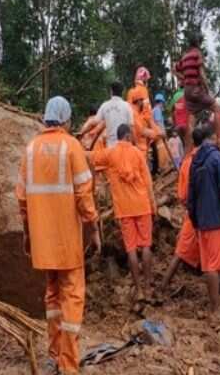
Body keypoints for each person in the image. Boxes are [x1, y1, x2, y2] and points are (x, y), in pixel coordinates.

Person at [16, 96, 100, 375]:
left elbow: (22, 199)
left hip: (43, 241)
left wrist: (28, 235)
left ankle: (54, 353)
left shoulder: (30, 150)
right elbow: (84, 194)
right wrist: (94, 227)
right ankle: (68, 363)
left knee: (52, 295)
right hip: (67, 241)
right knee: (73, 297)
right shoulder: (71, 146)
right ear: (64, 120)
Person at [91, 124, 156, 305]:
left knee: (131, 250)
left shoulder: (111, 153)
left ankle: (139, 290)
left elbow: (90, 158)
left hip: (124, 210)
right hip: (142, 206)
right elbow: (148, 181)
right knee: (146, 247)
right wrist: (153, 204)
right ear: (128, 136)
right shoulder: (138, 154)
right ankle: (149, 288)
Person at [187, 124, 220, 315]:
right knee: (212, 266)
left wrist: (194, 218)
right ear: (212, 137)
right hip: (217, 219)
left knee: (219, 261)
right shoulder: (217, 158)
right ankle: (215, 309)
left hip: (202, 221)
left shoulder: (195, 162)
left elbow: (191, 194)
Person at [161, 132, 202, 291]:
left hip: (192, 213)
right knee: (183, 252)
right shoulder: (209, 160)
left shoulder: (187, 163)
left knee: (184, 250)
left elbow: (182, 195)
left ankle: (162, 287)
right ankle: (163, 286)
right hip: (204, 214)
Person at [174, 34, 220, 143]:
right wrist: (207, 89)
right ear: (198, 43)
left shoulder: (185, 57)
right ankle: (219, 139)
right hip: (196, 90)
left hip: (187, 91)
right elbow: (201, 74)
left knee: (191, 117)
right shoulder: (197, 54)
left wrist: (185, 78)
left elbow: (174, 68)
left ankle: (191, 146)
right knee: (216, 108)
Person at [80, 81, 133, 148]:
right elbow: (131, 127)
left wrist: (82, 133)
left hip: (110, 146)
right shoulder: (127, 106)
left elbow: (93, 123)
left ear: (111, 91)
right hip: (124, 147)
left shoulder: (105, 105)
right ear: (122, 92)